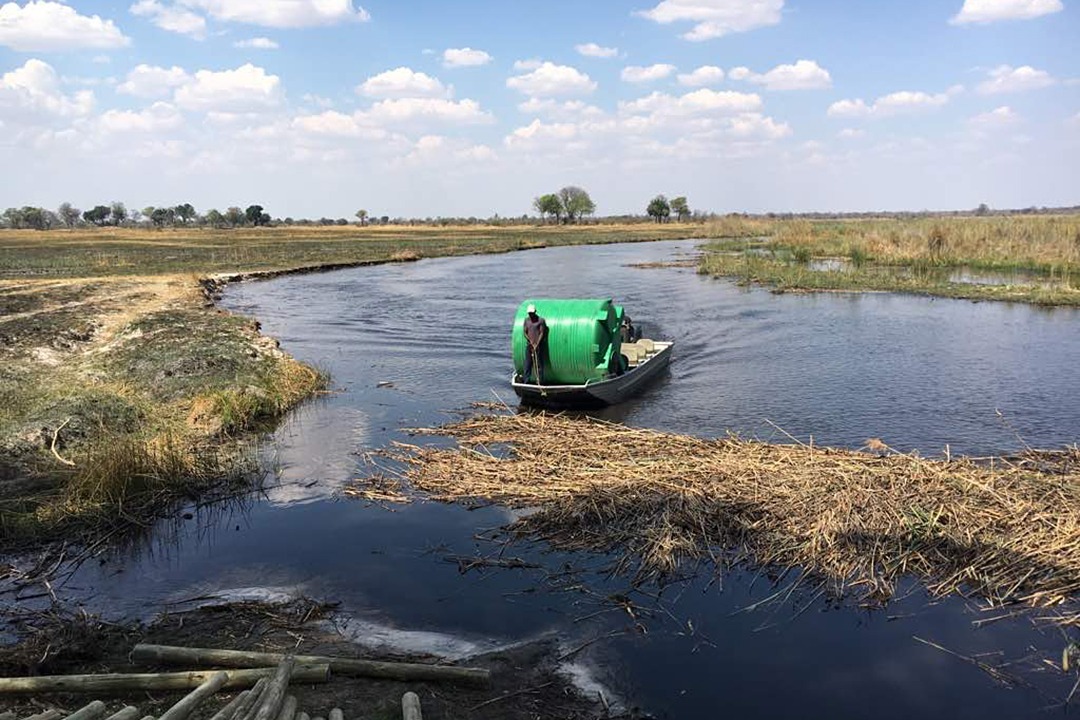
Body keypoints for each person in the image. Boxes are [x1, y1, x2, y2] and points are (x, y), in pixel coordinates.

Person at [522, 303, 548, 384]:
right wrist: (530, 341)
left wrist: (536, 344)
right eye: (529, 313)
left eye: (532, 313)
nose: (531, 315)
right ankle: (526, 382)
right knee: (527, 364)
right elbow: (525, 332)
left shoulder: (541, 320)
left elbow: (541, 333)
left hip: (538, 346)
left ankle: (539, 382)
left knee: (539, 365)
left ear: (535, 312)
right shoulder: (526, 320)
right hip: (529, 346)